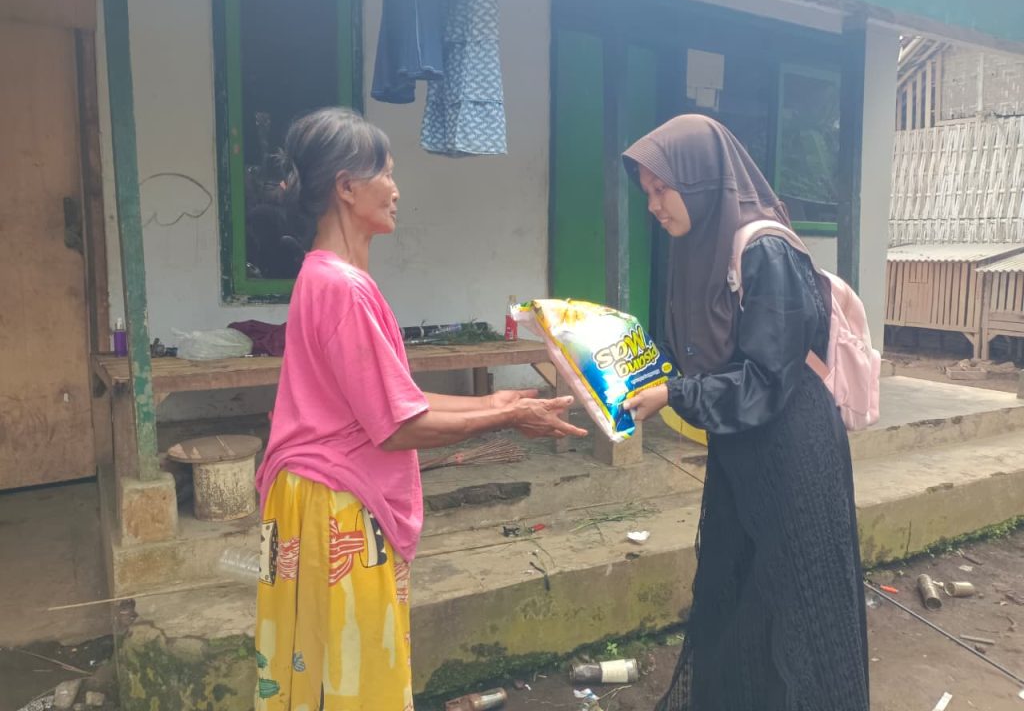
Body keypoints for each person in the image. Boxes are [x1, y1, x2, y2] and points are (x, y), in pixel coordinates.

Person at [252, 107, 586, 710]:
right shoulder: (343, 288)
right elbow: (397, 426)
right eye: (385, 172)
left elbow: (389, 397)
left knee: (317, 676)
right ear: (346, 188)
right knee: (353, 685)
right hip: (336, 508)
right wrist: (508, 418)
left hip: (315, 499)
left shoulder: (324, 277)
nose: (396, 189)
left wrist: (489, 399)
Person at [621, 115, 869, 711]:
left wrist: (677, 395)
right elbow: (703, 357)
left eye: (663, 189)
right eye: (647, 192)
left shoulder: (765, 250)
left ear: (701, 180)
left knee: (796, 603)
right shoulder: (697, 249)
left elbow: (766, 378)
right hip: (741, 447)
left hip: (792, 448)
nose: (654, 206)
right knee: (734, 595)